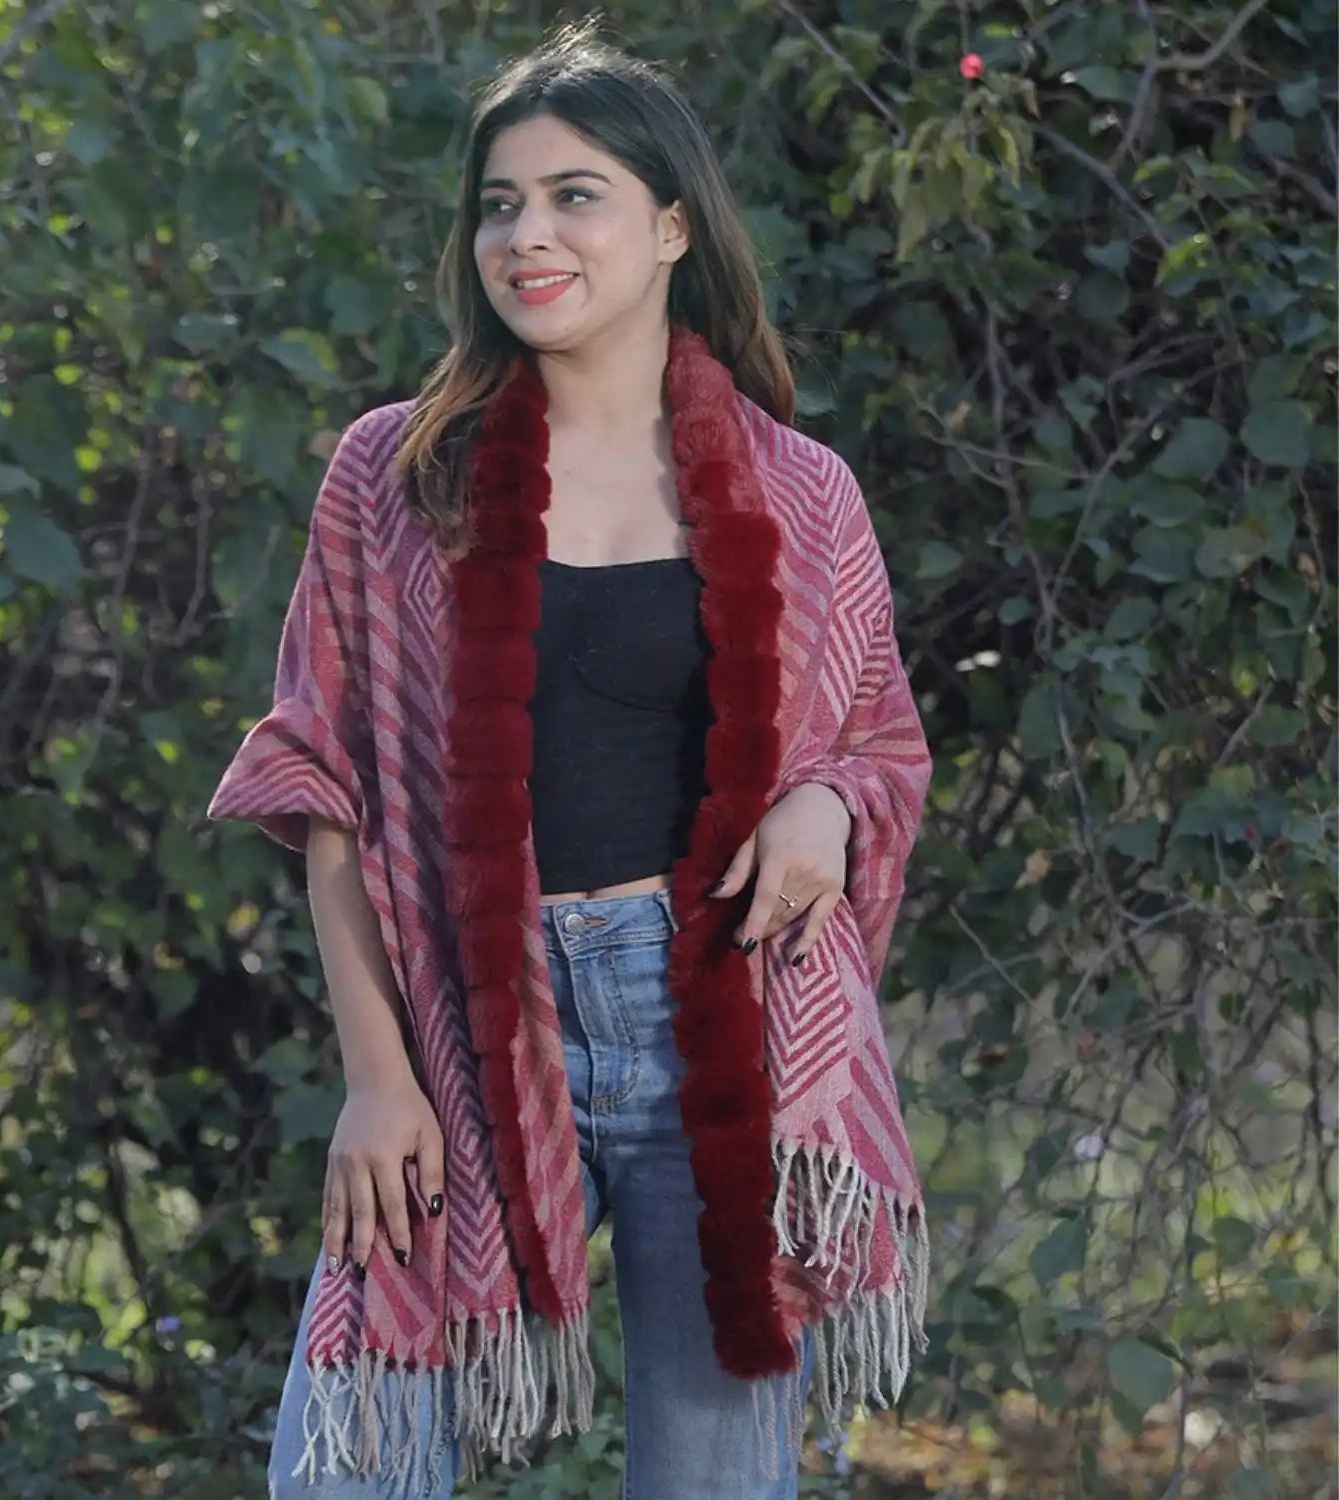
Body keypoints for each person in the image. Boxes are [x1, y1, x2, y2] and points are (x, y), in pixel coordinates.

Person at [207, 22, 932, 1500]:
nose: (525, 235)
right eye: (498, 202)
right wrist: (372, 1078)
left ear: (671, 225)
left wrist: (821, 801)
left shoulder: (802, 496)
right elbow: (326, 790)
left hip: (714, 1013)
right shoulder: (398, 475)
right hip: (469, 1034)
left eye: (573, 195)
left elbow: (877, 747)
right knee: (342, 1469)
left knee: (718, 1479)